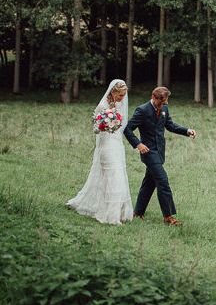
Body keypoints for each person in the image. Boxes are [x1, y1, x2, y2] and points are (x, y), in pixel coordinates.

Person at [123, 86, 196, 226]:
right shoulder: (142, 110)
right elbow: (127, 129)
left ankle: (138, 213)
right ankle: (168, 217)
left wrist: (187, 131)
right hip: (148, 152)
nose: (163, 105)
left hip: (160, 152)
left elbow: (170, 126)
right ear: (154, 97)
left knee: (149, 183)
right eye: (161, 102)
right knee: (163, 181)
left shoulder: (164, 109)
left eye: (165, 103)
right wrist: (138, 144)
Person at [67, 79, 133, 225]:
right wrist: (107, 125)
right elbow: (96, 127)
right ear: (113, 92)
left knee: (119, 176)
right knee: (112, 177)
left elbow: (122, 125)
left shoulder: (120, 105)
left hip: (117, 145)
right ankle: (110, 216)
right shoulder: (102, 106)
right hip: (106, 146)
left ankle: (121, 213)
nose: (122, 98)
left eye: (124, 95)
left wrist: (115, 125)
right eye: (120, 95)